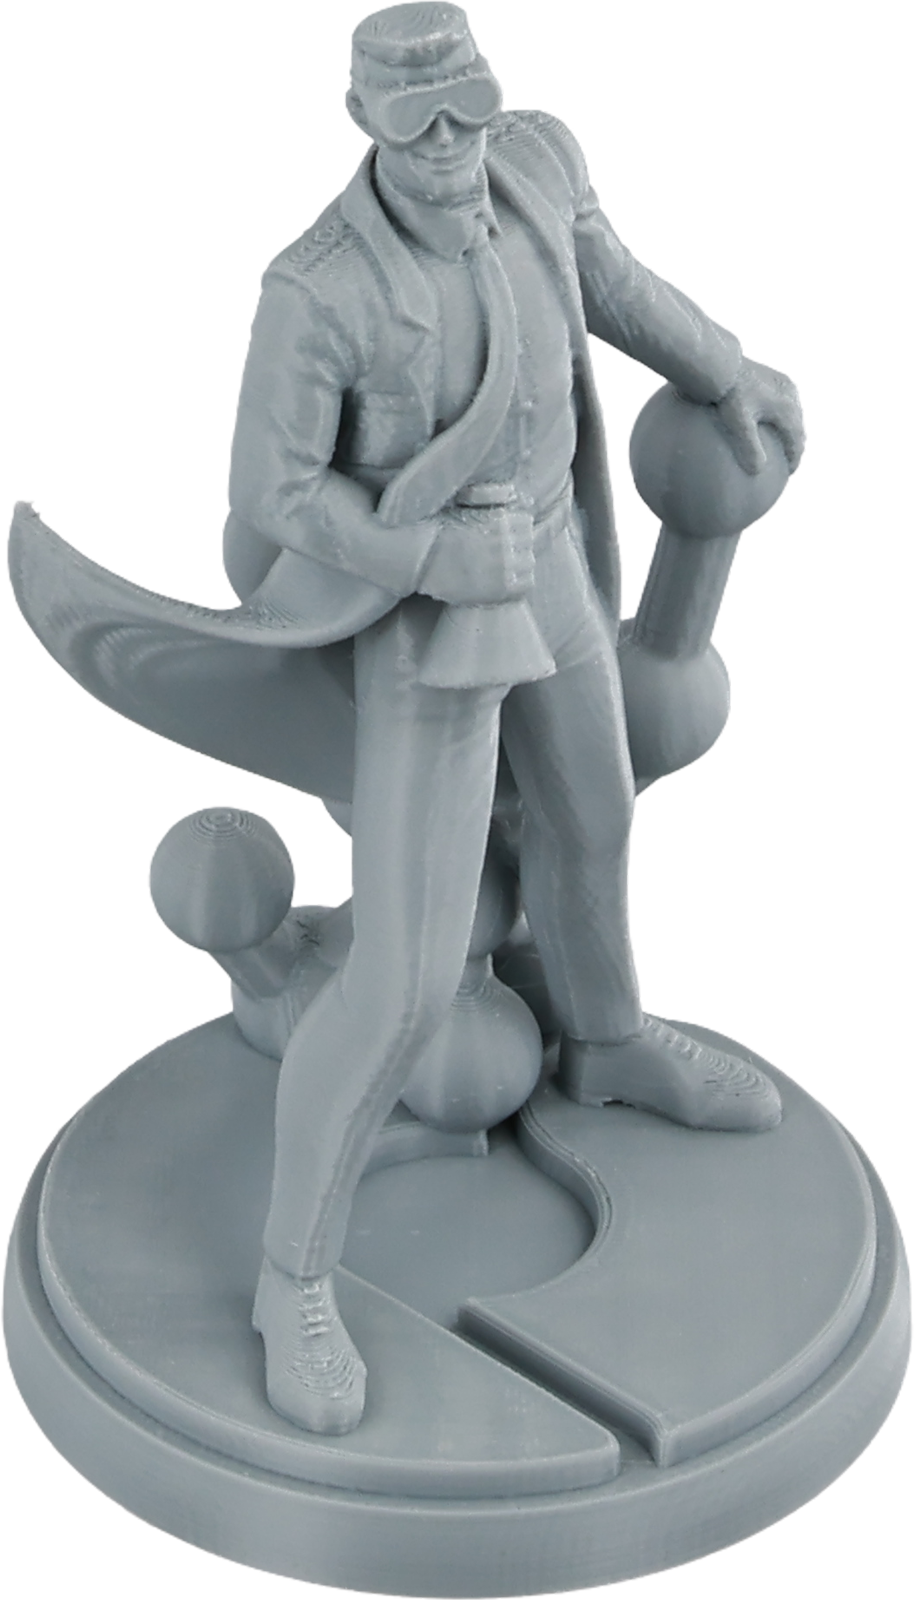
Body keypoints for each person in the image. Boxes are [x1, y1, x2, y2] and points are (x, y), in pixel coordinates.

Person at [227, 0, 807, 1434]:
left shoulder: (537, 162)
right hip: (427, 620)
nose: (449, 143)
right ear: (364, 121)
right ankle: (291, 1275)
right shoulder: (318, 289)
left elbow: (613, 284)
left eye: (466, 107)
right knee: (409, 975)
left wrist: (725, 365)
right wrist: (424, 556)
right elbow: (272, 493)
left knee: (593, 814)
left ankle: (607, 1043)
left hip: (544, 561)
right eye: (415, 120)